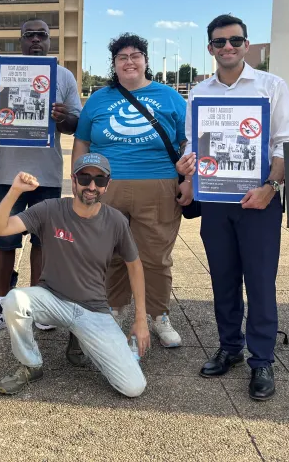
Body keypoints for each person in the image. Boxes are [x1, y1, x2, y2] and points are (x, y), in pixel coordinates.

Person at [177, 14, 289, 401]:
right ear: (210, 48)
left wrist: (271, 186)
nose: (227, 47)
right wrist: (186, 167)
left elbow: (285, 142)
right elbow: (192, 142)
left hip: (259, 200)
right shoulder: (199, 91)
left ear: (247, 45)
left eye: (235, 41)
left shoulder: (271, 86)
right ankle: (230, 346)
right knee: (223, 279)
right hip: (215, 201)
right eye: (219, 42)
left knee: (260, 282)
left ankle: (261, 358)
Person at [0, 154, 148, 397]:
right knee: (14, 300)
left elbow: (134, 266)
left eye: (99, 179)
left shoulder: (116, 221)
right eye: (85, 178)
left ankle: (79, 337)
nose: (92, 186)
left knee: (133, 387)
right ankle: (31, 364)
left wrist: (141, 319)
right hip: (52, 298)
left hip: (92, 310)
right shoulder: (50, 209)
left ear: (108, 184)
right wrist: (15, 191)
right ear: (73, 180)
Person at [73, 33, 188, 349]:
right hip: (106, 186)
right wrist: (78, 178)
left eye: (135, 55)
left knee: (155, 256)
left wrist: (190, 180)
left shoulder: (169, 97)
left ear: (146, 60)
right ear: (114, 65)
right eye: (122, 57)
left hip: (159, 186)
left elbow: (188, 140)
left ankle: (158, 313)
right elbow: (82, 139)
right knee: (109, 254)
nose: (129, 61)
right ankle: (113, 308)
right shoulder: (99, 98)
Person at [0, 19, 82, 338]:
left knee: (43, 241)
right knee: (4, 240)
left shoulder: (62, 76)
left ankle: (38, 304)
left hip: (47, 172)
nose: (35, 39)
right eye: (29, 35)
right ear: (20, 40)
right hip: (8, 172)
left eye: (42, 35)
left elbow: (75, 124)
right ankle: (1, 304)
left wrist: (63, 117)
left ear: (50, 40)